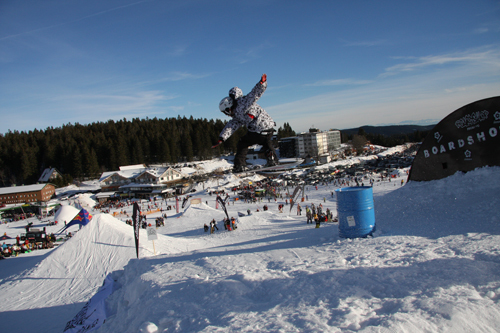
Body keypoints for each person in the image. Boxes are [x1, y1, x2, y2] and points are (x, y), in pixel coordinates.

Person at [212, 74, 278, 173]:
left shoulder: (242, 104)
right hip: (269, 128)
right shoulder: (240, 110)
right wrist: (222, 138)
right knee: (266, 142)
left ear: (229, 107)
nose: (227, 115)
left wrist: (261, 84)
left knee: (243, 143)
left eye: (226, 112)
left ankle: (239, 165)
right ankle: (272, 159)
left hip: (257, 129)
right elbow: (230, 127)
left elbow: (255, 94)